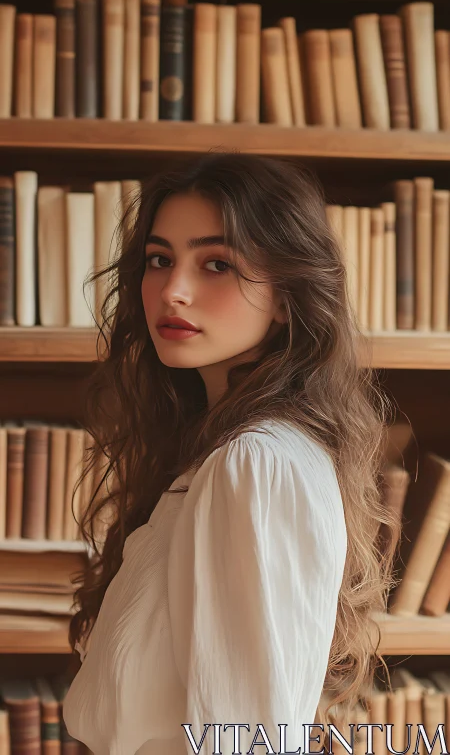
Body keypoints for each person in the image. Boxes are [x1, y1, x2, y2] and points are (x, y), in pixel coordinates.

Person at [62, 152, 399, 755]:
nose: (174, 291)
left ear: (288, 298)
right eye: (160, 260)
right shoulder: (235, 451)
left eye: (217, 264)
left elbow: (245, 742)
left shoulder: (255, 465)